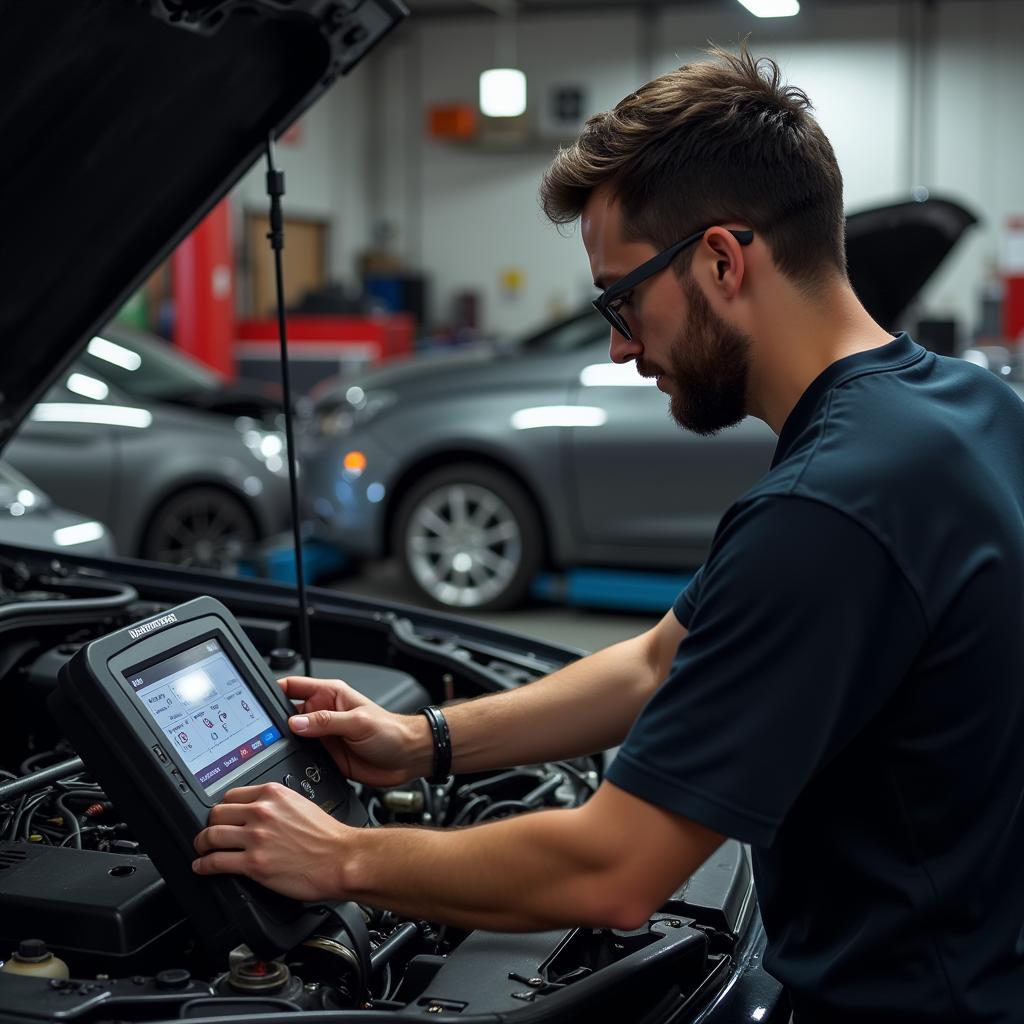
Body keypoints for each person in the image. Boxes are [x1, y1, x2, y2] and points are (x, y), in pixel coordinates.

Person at [193, 45, 1024, 1022]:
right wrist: (420, 743)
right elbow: (654, 664)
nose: (622, 347)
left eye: (622, 298)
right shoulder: (963, 406)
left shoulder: (826, 508)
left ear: (721, 258)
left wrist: (339, 856)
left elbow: (614, 870)